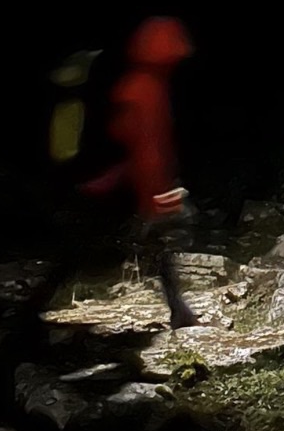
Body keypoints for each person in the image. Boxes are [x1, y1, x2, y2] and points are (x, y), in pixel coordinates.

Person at [77, 17, 201, 328]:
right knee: (83, 249)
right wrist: (157, 193)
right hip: (132, 186)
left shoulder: (144, 86)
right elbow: (143, 147)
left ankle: (179, 309)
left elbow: (149, 145)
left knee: (157, 250)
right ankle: (33, 316)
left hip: (136, 185)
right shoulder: (141, 89)